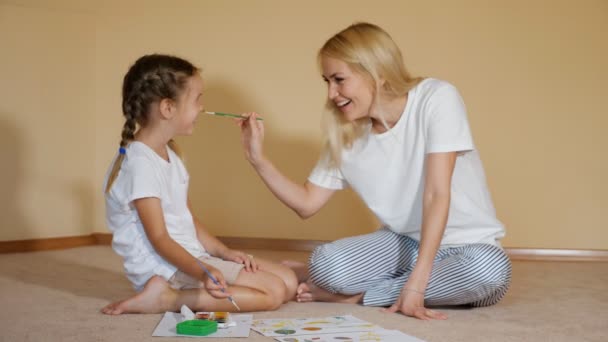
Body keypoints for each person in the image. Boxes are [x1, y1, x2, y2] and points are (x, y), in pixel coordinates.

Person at [237, 22, 512, 320]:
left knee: (488, 272)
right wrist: (258, 159)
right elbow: (306, 204)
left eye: (339, 79)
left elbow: (436, 194)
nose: (332, 93)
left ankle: (359, 296)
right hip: (403, 241)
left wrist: (417, 286)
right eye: (327, 81)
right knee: (325, 264)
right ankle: (397, 285)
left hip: (469, 247)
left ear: (376, 73)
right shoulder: (346, 134)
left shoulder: (436, 98)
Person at [101, 54, 297, 315]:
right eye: (197, 99)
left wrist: (225, 253)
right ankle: (166, 298)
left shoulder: (171, 153)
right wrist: (203, 271)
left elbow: (189, 220)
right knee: (273, 292)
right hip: (167, 267)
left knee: (289, 280)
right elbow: (159, 239)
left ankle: (182, 289)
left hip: (190, 256)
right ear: (168, 108)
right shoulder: (140, 165)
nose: (202, 108)